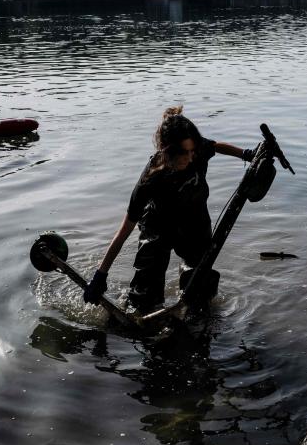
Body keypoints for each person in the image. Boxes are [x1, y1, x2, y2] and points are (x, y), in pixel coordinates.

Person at [83, 106, 255, 314]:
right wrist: (101, 274)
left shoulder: (196, 150)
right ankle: (143, 309)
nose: (191, 158)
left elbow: (216, 146)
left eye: (193, 151)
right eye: (184, 153)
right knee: (144, 298)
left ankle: (193, 309)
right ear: (167, 151)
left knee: (200, 285)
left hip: (194, 219)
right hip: (159, 224)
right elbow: (125, 229)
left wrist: (247, 155)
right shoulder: (151, 178)